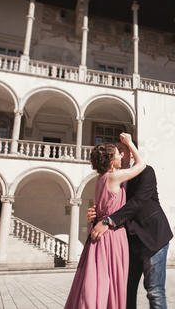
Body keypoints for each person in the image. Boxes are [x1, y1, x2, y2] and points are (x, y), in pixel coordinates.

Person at [88, 139, 173, 309]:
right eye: (116, 151)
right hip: (128, 241)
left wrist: (108, 221)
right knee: (125, 289)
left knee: (154, 290)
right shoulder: (114, 178)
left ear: (131, 153)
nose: (118, 154)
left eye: (121, 150)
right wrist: (95, 214)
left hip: (152, 238)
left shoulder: (145, 172)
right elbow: (111, 204)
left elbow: (138, 202)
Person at [65, 132, 146, 308]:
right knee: (113, 279)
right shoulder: (115, 176)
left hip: (98, 236)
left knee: (99, 278)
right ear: (111, 161)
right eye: (118, 153)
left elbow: (101, 207)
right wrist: (131, 144)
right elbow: (141, 165)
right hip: (113, 235)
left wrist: (92, 215)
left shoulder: (99, 180)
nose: (121, 156)